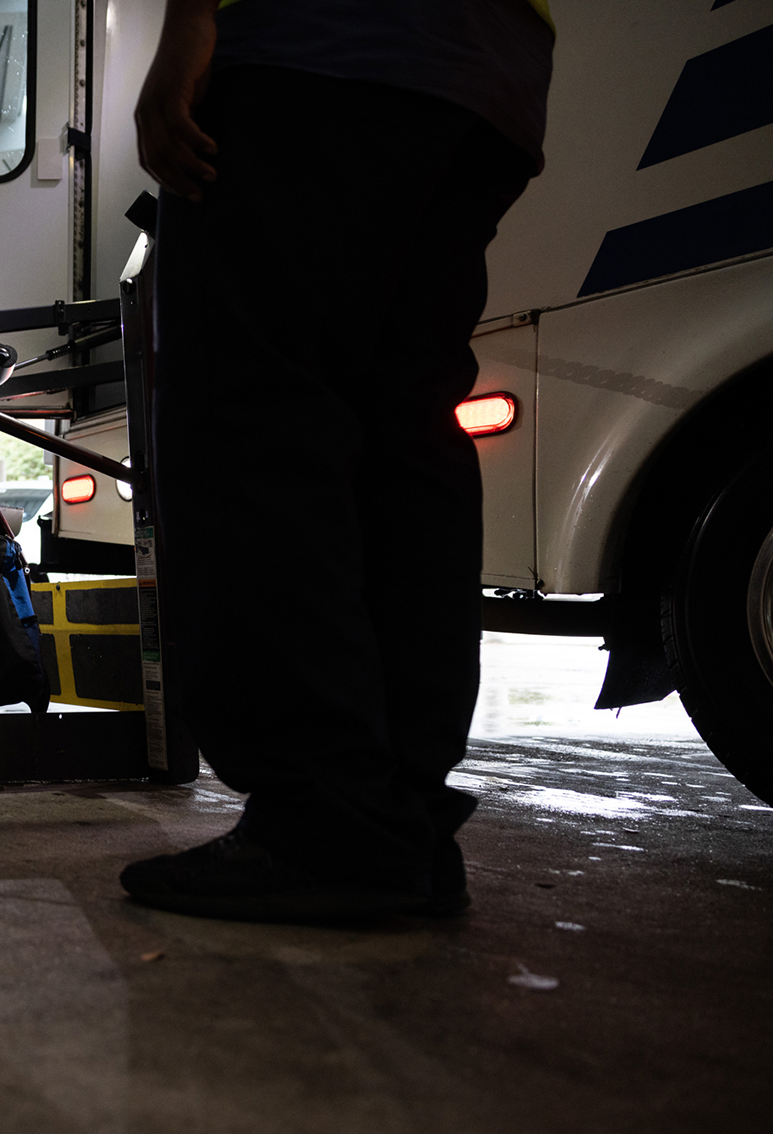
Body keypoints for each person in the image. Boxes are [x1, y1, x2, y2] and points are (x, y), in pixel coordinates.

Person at [118, 0, 555, 922]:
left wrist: (190, 25)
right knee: (404, 440)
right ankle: (404, 823)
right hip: (489, 73)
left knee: (253, 429)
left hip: (310, 48)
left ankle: (328, 823)